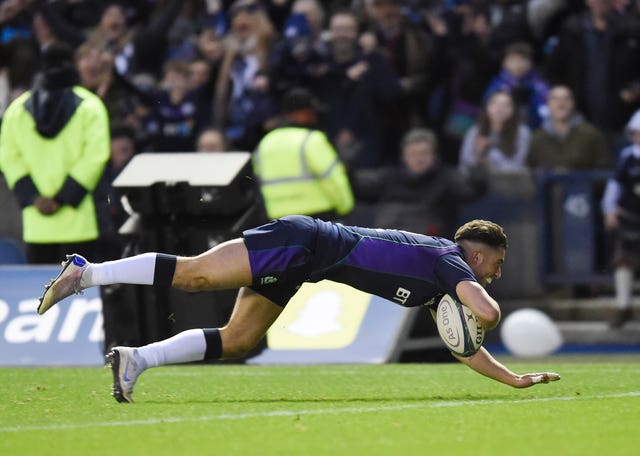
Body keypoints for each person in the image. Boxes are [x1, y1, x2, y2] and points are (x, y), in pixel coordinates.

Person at [38, 216, 560, 403]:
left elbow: (465, 347)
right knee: (195, 273)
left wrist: (512, 379)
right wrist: (481, 302)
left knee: (241, 338)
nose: (498, 270)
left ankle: (136, 360)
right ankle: (86, 272)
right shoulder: (450, 260)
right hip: (304, 241)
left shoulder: (442, 280)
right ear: (478, 249)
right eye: (497, 261)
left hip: (307, 263)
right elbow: (485, 316)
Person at [0, 42, 110, 264]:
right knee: (82, 290)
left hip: (38, 222)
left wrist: (33, 197)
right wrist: (64, 197)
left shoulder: (16, 110)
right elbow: (95, 156)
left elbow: (7, 157)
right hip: (80, 222)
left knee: (43, 293)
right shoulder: (91, 106)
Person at [352, 127, 487, 237]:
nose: (419, 158)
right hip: (387, 244)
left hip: (428, 247)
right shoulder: (389, 176)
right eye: (413, 154)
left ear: (434, 155)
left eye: (424, 153)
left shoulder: (447, 177)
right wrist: (348, 165)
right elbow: (357, 186)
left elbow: (472, 190)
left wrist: (479, 163)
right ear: (404, 157)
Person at [253, 87, 354, 220]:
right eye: (311, 112)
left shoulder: (265, 143)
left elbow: (256, 185)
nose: (314, 116)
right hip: (320, 218)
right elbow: (333, 178)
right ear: (299, 113)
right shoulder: (312, 139)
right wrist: (345, 208)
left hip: (279, 221)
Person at [601, 109, 640, 327]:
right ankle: (623, 307)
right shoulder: (627, 157)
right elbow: (614, 185)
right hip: (631, 217)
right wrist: (609, 209)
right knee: (624, 262)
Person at [527, 85, 611, 171]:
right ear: (548, 104)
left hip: (581, 183)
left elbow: (603, 169)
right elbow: (530, 170)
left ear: (573, 103)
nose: (560, 103)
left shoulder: (592, 135)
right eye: (555, 99)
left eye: (566, 99)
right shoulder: (537, 138)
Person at [458, 90, 530, 174]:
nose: (500, 109)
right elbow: (463, 166)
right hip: (478, 180)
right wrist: (478, 155)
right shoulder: (475, 130)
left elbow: (517, 166)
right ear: (487, 107)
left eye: (506, 105)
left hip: (508, 183)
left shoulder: (522, 132)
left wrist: (489, 159)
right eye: (495, 103)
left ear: (513, 110)